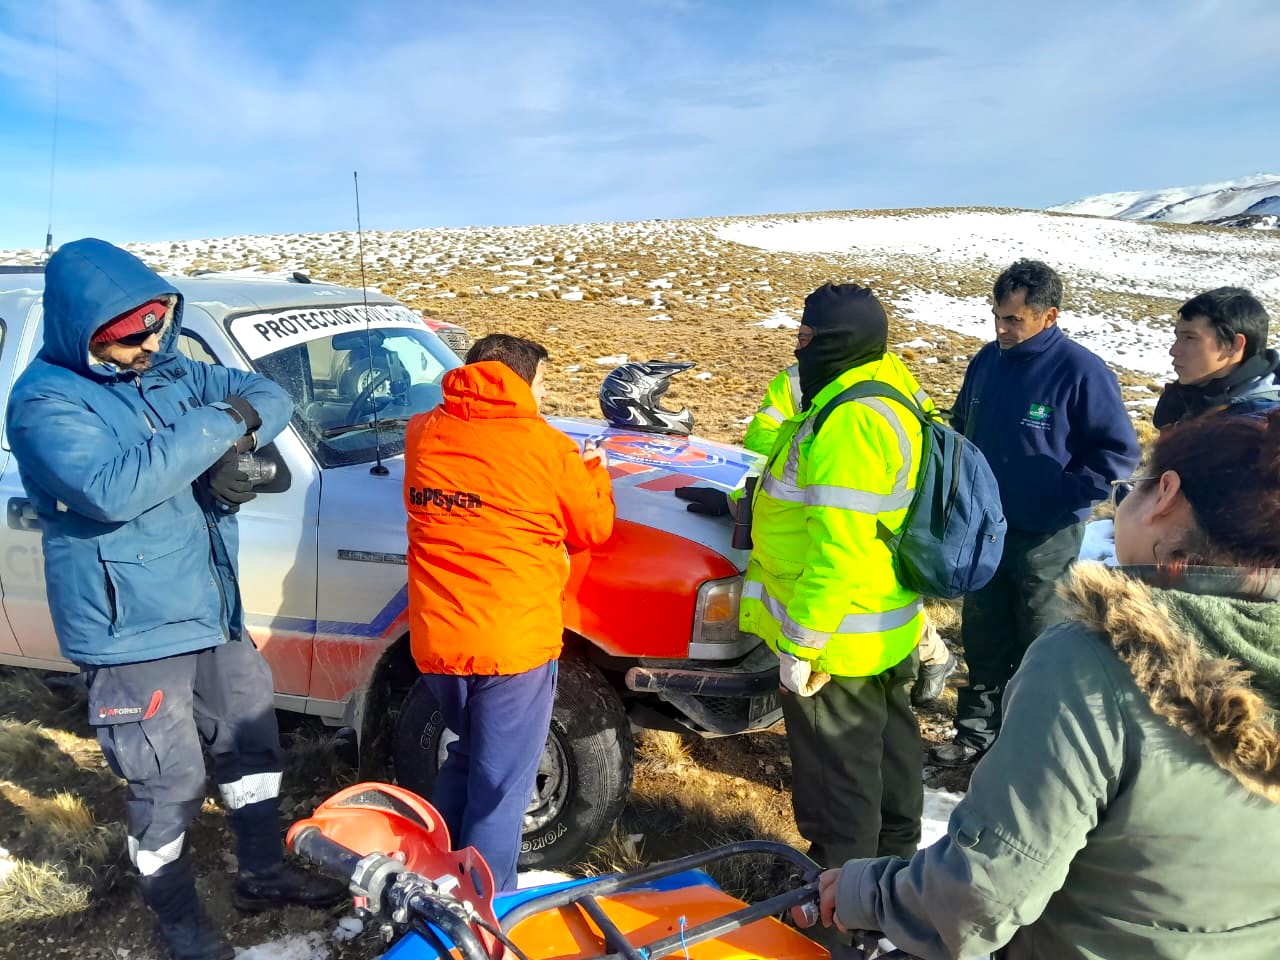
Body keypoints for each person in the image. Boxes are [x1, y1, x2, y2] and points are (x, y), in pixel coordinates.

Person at [796, 409, 1280, 960]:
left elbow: (979, 896)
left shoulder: (1095, 664)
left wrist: (870, 892)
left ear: (1165, 494)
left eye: (1135, 487)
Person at [4, 239, 343, 960]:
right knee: (168, 781)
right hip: (130, 625)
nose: (155, 341)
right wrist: (220, 428)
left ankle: (260, 872)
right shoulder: (44, 403)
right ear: (86, 332)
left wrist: (235, 441)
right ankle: (180, 922)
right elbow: (113, 486)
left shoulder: (169, 367)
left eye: (160, 322)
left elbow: (268, 393)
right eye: (135, 333)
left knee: (251, 737)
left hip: (208, 601)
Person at [403, 333, 615, 892]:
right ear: (521, 382)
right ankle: (483, 909)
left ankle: (429, 872)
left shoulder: (422, 433)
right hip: (511, 646)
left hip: (437, 642)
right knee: (502, 788)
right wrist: (594, 471)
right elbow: (592, 527)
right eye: (542, 383)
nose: (545, 395)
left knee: (469, 755)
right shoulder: (546, 447)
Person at [737, 282, 932, 873]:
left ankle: (841, 922)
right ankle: (892, 892)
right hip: (884, 620)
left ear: (834, 340)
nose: (797, 347)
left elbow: (838, 551)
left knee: (838, 790)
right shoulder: (890, 388)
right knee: (893, 763)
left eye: (805, 335)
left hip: (836, 643)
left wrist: (800, 644)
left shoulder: (850, 422)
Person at [932, 259, 1139, 765]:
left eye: (1014, 320)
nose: (1002, 330)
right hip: (983, 529)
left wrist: (1063, 498)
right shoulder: (986, 361)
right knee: (984, 633)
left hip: (1044, 534)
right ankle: (976, 732)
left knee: (1038, 638)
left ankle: (1032, 747)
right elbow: (962, 425)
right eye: (997, 317)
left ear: (1049, 316)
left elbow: (1116, 453)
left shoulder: (1081, 371)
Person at [680, 359, 958, 705]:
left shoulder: (852, 413)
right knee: (881, 592)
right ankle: (931, 660)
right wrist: (743, 497)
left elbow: (837, 549)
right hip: (873, 529)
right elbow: (764, 437)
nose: (803, 343)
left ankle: (934, 658)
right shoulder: (875, 375)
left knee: (860, 586)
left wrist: (808, 460)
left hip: (843, 532)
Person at [1154, 286, 1279, 429]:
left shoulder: (1263, 428)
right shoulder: (1187, 399)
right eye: (1178, 337)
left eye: (1189, 338)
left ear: (1234, 345)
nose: (1173, 351)